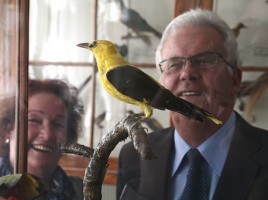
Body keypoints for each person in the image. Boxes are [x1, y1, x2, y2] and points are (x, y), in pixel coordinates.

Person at [116, 8, 268, 200]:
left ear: (235, 80)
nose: (187, 73)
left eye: (204, 60)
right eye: (174, 64)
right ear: (161, 82)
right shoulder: (133, 155)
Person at [0, 79, 84, 199]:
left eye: (57, 124)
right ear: (8, 128)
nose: (47, 134)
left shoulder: (80, 191)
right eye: (34, 120)